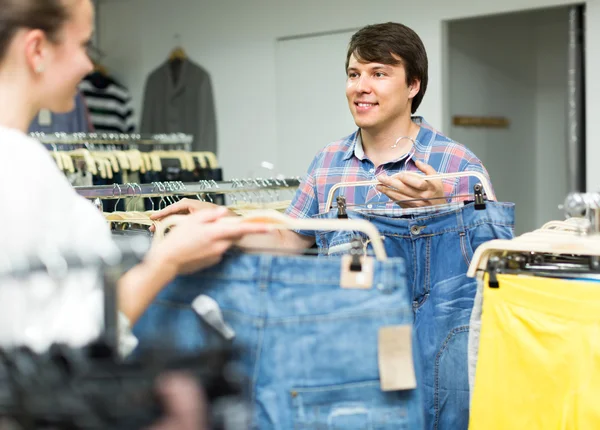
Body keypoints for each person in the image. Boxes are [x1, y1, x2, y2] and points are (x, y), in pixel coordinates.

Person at [0, 0, 268, 427]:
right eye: (84, 44)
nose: (90, 64)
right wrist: (167, 260)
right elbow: (58, 346)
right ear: (37, 50)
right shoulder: (17, 164)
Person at [152, 22, 494, 251]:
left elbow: (486, 260)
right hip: (342, 331)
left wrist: (444, 213)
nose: (361, 87)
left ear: (413, 85)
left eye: (379, 74)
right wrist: (217, 219)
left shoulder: (458, 164)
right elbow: (289, 237)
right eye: (354, 74)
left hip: (424, 338)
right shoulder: (329, 160)